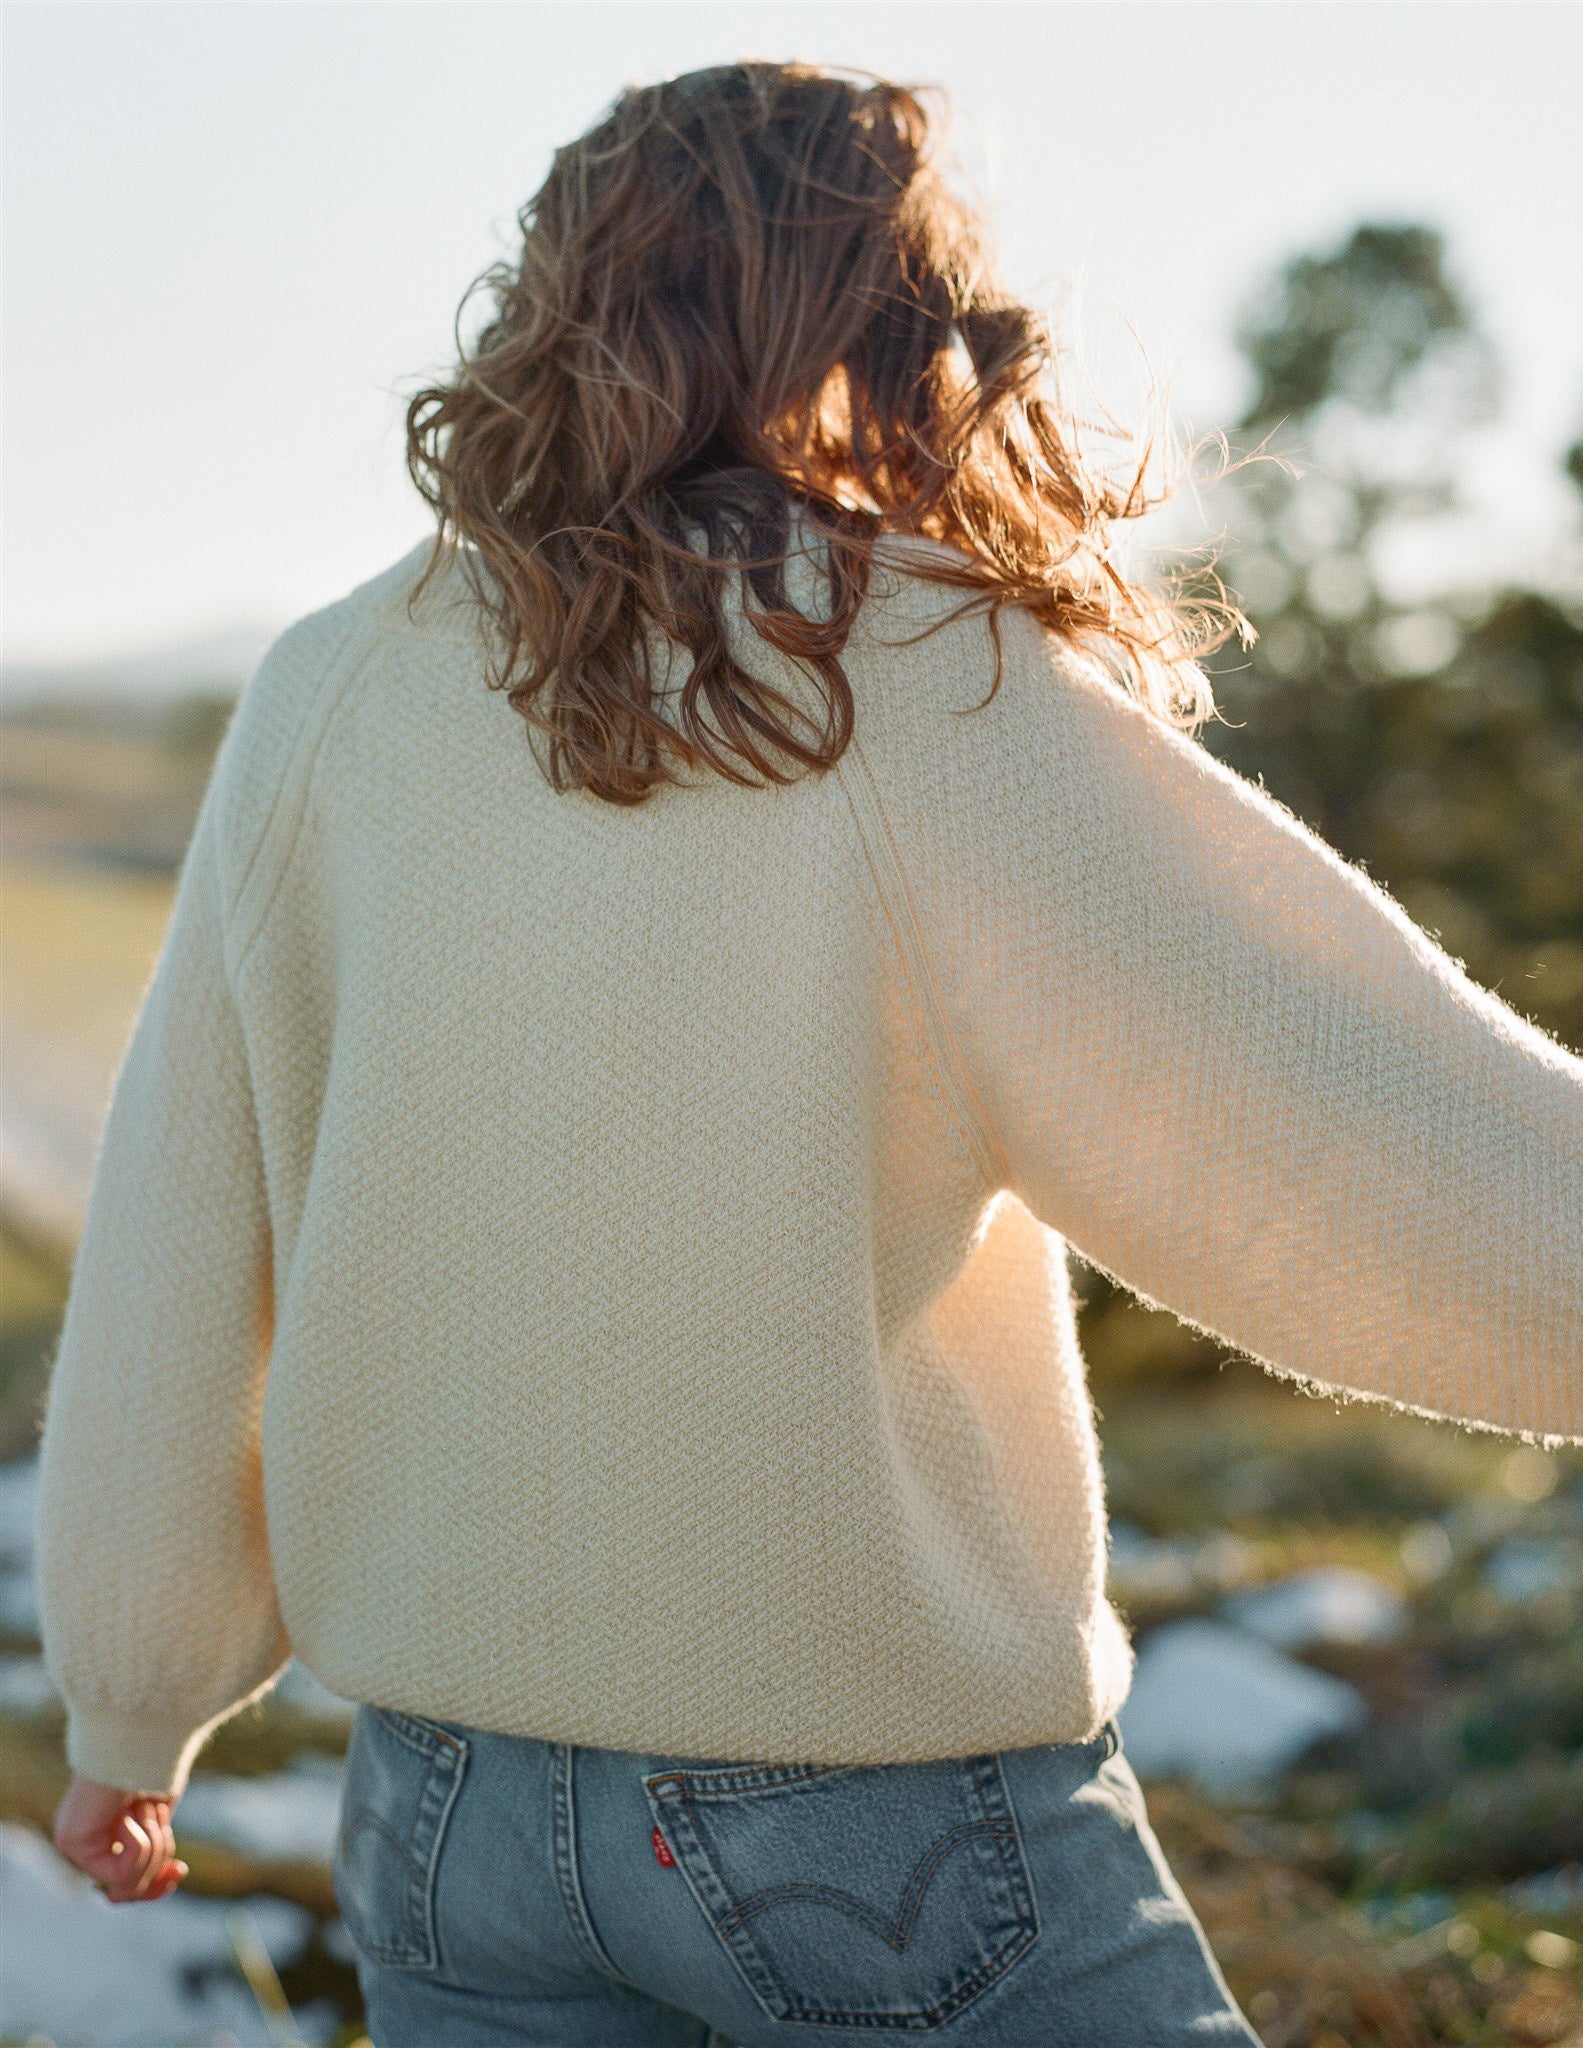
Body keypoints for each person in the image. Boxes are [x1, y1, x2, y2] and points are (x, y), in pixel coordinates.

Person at [36, 58, 1580, 2048]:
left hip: (447, 1817)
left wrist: (129, 1700)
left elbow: (183, 1236)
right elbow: (1331, 1133)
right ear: (880, 310)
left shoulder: (329, 690)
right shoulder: (913, 671)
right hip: (867, 1818)